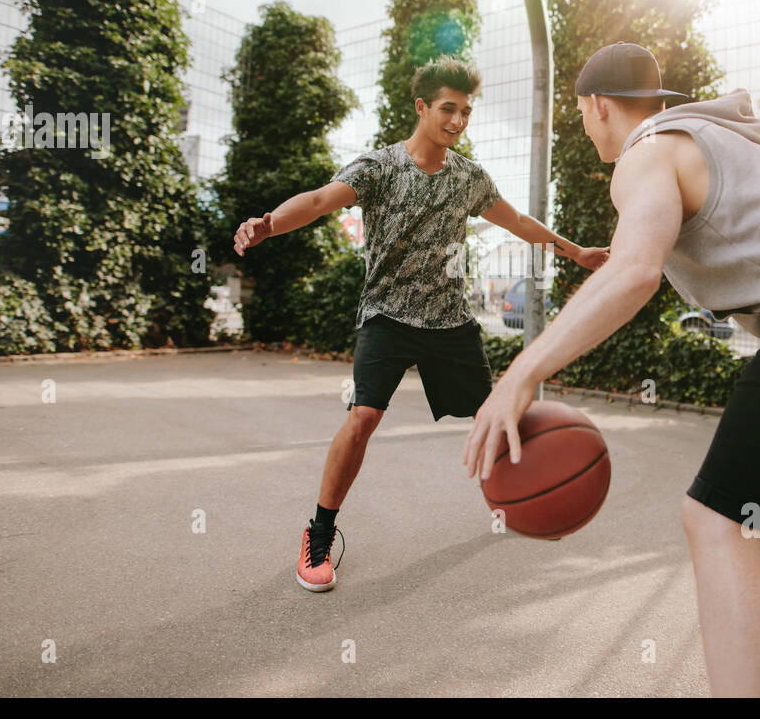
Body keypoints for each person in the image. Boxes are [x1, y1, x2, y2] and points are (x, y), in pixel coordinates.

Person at [463, 42, 760, 697]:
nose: (585, 125)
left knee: (718, 517)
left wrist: (520, 372)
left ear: (598, 106)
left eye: (582, 113)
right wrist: (640, 256)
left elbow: (636, 274)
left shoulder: (644, 153)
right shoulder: (707, 138)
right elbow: (678, 249)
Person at [233, 55, 609, 592]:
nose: (457, 121)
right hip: (387, 315)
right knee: (362, 417)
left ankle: (528, 500)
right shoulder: (381, 167)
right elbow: (319, 201)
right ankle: (318, 532)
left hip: (447, 321)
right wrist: (268, 225)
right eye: (448, 109)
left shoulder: (468, 177)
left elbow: (519, 221)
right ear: (422, 107)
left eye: (466, 112)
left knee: (496, 416)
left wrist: (575, 253)